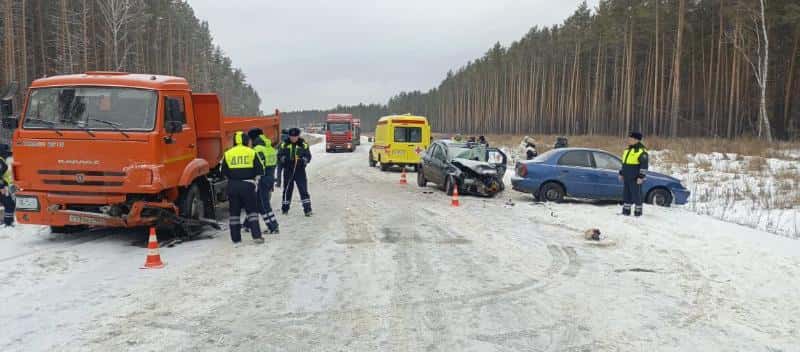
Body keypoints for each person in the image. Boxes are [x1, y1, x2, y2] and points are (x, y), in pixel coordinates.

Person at [221, 131, 264, 244]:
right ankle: (257, 236)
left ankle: (236, 239)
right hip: (248, 186)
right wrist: (255, 179)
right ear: (246, 140)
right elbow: (260, 169)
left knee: (234, 214)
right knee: (252, 212)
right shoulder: (252, 152)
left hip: (233, 186)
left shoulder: (228, 153)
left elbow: (223, 171)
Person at [248, 128, 280, 234]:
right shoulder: (269, 147)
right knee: (257, 202)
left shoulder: (258, 149)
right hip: (269, 177)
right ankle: (248, 224)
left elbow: (257, 167)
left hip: (262, 179)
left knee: (263, 204)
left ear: (253, 138)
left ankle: (273, 226)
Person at [278, 128, 312, 216]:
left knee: (303, 190)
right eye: (292, 136)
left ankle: (307, 209)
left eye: (295, 136)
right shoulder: (284, 144)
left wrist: (303, 160)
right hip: (288, 170)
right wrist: (284, 160)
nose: (293, 138)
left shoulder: (303, 144)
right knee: (287, 190)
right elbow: (279, 155)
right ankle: (285, 209)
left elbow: (308, 156)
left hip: (299, 170)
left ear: (298, 136)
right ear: (289, 136)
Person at [619, 132, 649, 217]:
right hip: (627, 177)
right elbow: (624, 163)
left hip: (635, 178)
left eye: (631, 139)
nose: (629, 140)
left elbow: (644, 166)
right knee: (626, 195)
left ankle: (638, 213)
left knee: (637, 196)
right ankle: (626, 212)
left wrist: (641, 177)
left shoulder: (641, 151)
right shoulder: (627, 150)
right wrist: (621, 173)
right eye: (629, 138)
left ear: (636, 140)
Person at [0, 144, 14, 227]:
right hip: (2, 188)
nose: (7, 154)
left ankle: (8, 222)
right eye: (6, 152)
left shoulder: (2, 160)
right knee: (9, 204)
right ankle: (8, 223)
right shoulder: (0, 161)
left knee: (8, 204)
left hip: (4, 186)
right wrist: (1, 187)